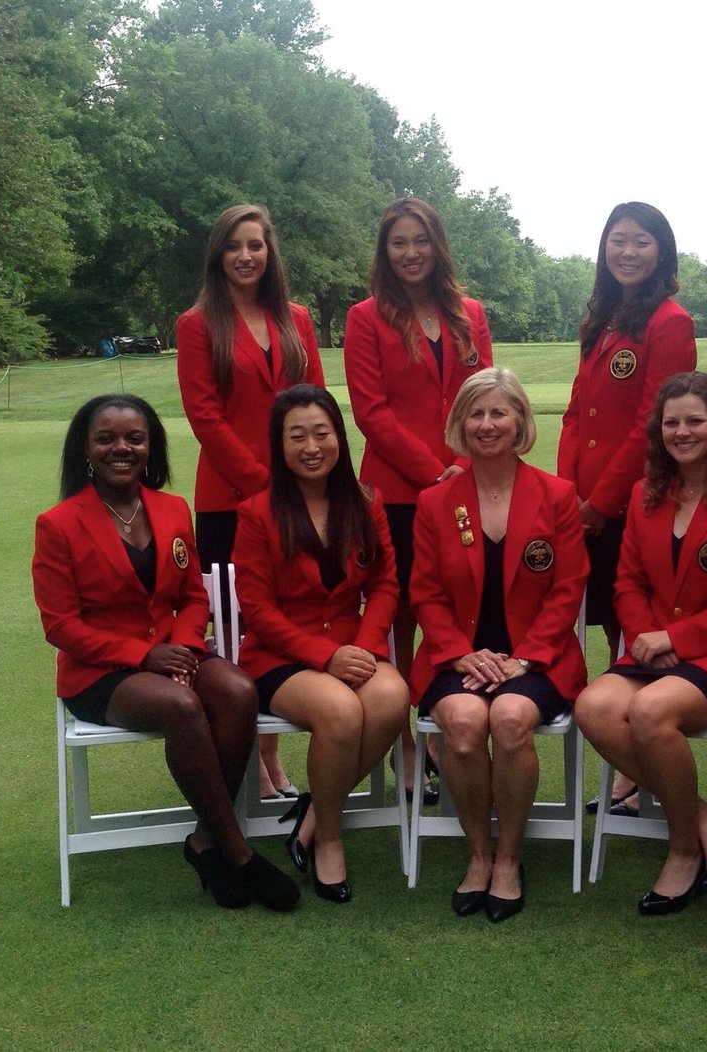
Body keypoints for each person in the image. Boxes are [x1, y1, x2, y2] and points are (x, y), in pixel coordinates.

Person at [33, 394, 299, 912]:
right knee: (183, 708)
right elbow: (60, 625)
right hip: (101, 674)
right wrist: (143, 654)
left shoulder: (173, 509)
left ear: (150, 446)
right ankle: (238, 852)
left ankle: (203, 842)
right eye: (106, 438)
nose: (121, 448)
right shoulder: (59, 524)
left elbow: (193, 596)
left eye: (135, 438)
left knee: (240, 690)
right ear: (85, 448)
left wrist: (180, 647)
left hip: (177, 654)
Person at [576, 372, 707, 914]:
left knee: (649, 712)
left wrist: (675, 638)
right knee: (594, 707)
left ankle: (683, 849)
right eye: (672, 422)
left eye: (695, 420)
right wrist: (650, 638)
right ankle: (700, 815)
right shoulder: (645, 495)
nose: (682, 432)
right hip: (654, 653)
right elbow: (627, 584)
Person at [410, 369, 588, 922]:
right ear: (460, 423)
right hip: (455, 654)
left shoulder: (557, 496)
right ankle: (479, 854)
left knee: (511, 719)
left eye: (498, 412)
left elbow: (568, 588)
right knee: (463, 724)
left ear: (520, 422)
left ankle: (510, 859)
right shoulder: (435, 501)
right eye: (476, 413)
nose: (487, 424)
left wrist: (524, 658)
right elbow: (426, 591)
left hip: (537, 655)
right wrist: (459, 653)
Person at [232, 385, 409, 903]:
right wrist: (324, 656)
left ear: (339, 436)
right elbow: (257, 609)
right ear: (279, 446)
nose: (312, 446)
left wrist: (367, 645)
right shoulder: (257, 513)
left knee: (392, 698)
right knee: (340, 712)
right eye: (297, 436)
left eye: (322, 432)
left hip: (355, 648)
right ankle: (329, 838)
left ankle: (312, 812)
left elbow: (385, 585)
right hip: (281, 658)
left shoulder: (367, 502)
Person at [344, 197, 494, 803]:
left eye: (420, 241)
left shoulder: (470, 314)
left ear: (438, 246)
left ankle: (440, 733)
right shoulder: (364, 317)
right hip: (397, 491)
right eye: (398, 243)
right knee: (397, 617)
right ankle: (403, 744)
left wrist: (459, 465)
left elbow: (484, 396)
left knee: (453, 610)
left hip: (463, 485)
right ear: (385, 252)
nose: (410, 253)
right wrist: (434, 471)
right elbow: (370, 411)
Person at [177, 203, 325, 800]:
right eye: (235, 245)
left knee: (284, 620)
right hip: (229, 503)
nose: (246, 255)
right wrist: (266, 484)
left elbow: (312, 399)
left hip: (297, 497)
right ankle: (248, 764)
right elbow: (205, 416)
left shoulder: (295, 318)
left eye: (256, 245)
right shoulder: (197, 323)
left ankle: (272, 754)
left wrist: (303, 477)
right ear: (219, 254)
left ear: (270, 253)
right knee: (236, 636)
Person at [557, 201, 697, 814]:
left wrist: (600, 505)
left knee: (628, 632)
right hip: (582, 504)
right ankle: (634, 765)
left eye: (640, 242)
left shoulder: (670, 321)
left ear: (661, 252)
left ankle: (640, 771)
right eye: (618, 241)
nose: (628, 252)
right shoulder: (605, 316)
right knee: (599, 626)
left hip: (629, 504)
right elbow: (575, 414)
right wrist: (565, 497)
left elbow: (652, 423)